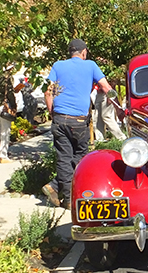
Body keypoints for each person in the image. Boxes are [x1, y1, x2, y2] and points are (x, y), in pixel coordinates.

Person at [42, 39, 115, 209]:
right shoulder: (90, 65)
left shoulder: (58, 65)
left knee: (64, 158)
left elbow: (47, 91)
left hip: (60, 119)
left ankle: (59, 190)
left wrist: (52, 111)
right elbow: (105, 87)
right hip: (79, 121)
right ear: (84, 52)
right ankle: (64, 195)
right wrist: (116, 104)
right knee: (81, 157)